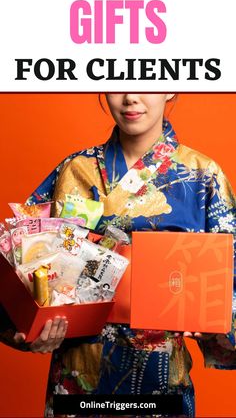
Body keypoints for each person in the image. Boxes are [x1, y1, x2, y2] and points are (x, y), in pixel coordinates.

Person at [1, 93, 236, 417]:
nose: (130, 97)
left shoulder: (201, 175)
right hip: (77, 379)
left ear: (170, 89)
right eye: (117, 81)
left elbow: (230, 284)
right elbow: (18, 260)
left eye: (144, 81)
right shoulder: (74, 170)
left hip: (160, 381)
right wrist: (31, 330)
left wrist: (215, 318)